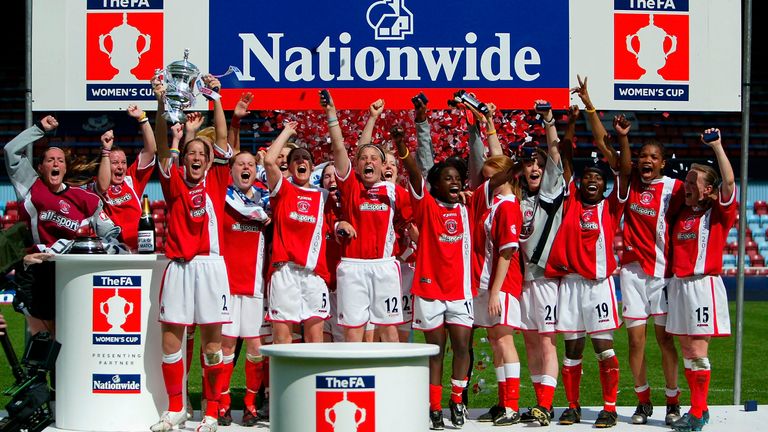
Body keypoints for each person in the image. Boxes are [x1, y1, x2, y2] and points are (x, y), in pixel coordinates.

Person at [545, 75, 632, 428]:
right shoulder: (570, 200)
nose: (592, 181)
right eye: (587, 178)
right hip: (570, 284)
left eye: (598, 177)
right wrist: (573, 119)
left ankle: (609, 408)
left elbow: (625, 168)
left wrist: (621, 138)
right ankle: (574, 405)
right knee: (572, 350)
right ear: (580, 182)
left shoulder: (611, 206)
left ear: (605, 184)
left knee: (604, 348)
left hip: (598, 285)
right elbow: (563, 153)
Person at [150, 75, 232, 432]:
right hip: (179, 267)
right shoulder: (174, 180)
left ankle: (211, 411)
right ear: (183, 159)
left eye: (203, 154)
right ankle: (176, 409)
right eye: (191, 154)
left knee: (212, 344)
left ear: (211, 161)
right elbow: (161, 149)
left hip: (211, 268)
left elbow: (224, 138)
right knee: (171, 339)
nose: (197, 157)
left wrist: (215, 97)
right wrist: (160, 101)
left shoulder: (217, 179)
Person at [3, 116, 120, 338]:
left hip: (69, 272)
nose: (55, 164)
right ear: (40, 167)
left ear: (65, 168)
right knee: (41, 338)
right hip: (38, 272)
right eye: (50, 160)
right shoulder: (31, 186)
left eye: (60, 160)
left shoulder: (83, 197)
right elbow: (10, 151)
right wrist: (39, 129)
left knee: (68, 338)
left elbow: (110, 231)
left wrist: (113, 244)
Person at [393, 123, 476, 430]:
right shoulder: (426, 205)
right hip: (429, 291)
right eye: (447, 178)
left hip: (460, 293)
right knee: (436, 351)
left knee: (463, 348)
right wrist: (403, 150)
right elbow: (415, 176)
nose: (453, 182)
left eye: (457, 178)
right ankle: (435, 407)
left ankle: (456, 400)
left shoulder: (469, 207)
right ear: (436, 185)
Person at [326, 93, 412, 343]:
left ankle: (392, 381)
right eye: (364, 159)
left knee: (389, 330)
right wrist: (334, 114)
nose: (368, 161)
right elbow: (341, 147)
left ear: (384, 166)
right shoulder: (351, 186)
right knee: (353, 331)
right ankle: (355, 379)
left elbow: (412, 221)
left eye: (374, 158)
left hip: (385, 265)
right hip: (353, 267)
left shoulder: (394, 191)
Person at [666, 129, 735, 432]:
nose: (687, 185)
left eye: (694, 182)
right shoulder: (683, 213)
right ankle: (700, 408)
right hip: (680, 286)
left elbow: (729, 183)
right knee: (686, 349)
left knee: (697, 350)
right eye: (688, 181)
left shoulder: (718, 214)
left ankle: (697, 412)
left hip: (703, 284)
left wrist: (717, 146)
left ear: (708, 190)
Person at [618, 127, 685, 424]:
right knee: (635, 342)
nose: (647, 159)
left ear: (662, 163)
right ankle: (643, 401)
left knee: (666, 341)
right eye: (643, 155)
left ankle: (673, 401)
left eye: (653, 156)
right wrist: (622, 137)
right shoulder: (630, 181)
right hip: (631, 273)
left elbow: (704, 194)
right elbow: (616, 158)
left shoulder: (674, 187)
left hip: (661, 274)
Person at [263, 120, 332, 345]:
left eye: (306, 159)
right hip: (285, 272)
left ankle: (313, 381)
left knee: (315, 338)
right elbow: (269, 160)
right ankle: (282, 381)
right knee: (282, 338)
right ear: (290, 167)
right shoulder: (283, 189)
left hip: (314, 274)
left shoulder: (323, 196)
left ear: (312, 168)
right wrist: (287, 132)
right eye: (296, 159)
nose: (301, 161)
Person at [217, 150, 271, 427]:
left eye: (251, 164)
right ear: (232, 169)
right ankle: (223, 403)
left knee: (255, 345)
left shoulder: (266, 201)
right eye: (241, 164)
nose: (246, 168)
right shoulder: (222, 196)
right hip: (226, 282)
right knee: (226, 345)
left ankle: (250, 404)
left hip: (254, 283)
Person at [93, 104, 156, 251]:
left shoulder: (131, 179)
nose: (120, 167)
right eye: (114, 163)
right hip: (115, 250)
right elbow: (102, 186)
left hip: (140, 248)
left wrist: (143, 119)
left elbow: (150, 150)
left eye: (123, 162)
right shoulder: (96, 185)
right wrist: (106, 150)